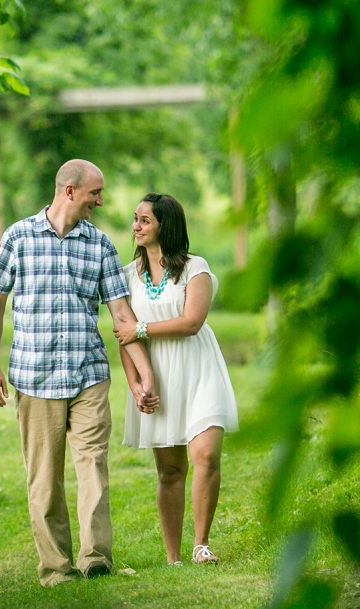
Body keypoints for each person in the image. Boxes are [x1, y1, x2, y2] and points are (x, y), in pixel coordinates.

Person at [0, 159, 159, 587]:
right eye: (95, 193)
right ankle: (56, 568)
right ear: (69, 191)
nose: (100, 201)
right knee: (44, 478)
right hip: (34, 375)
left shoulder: (99, 245)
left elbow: (121, 314)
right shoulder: (18, 237)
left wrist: (144, 373)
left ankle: (95, 557)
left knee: (93, 466)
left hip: (88, 374)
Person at [113, 192, 239, 566]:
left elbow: (191, 322)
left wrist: (141, 327)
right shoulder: (126, 276)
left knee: (206, 455)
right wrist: (136, 384)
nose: (136, 226)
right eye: (135, 219)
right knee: (170, 470)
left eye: (145, 220)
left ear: (165, 226)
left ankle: (201, 544)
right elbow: (124, 336)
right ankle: (173, 556)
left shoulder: (195, 269)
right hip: (159, 377)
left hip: (198, 368)